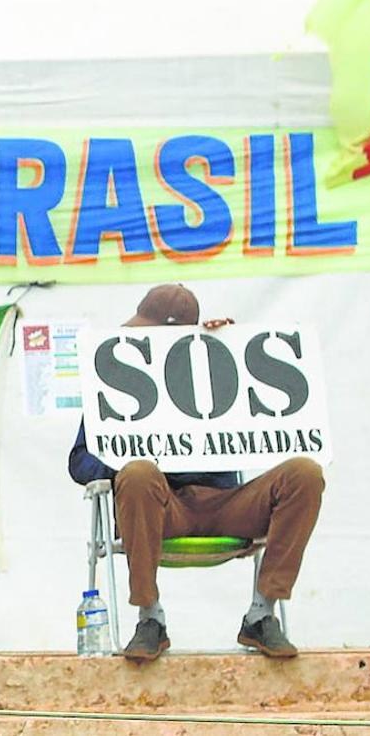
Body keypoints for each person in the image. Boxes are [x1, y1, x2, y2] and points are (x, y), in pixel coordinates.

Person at [68, 283, 325, 662]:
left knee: (305, 472)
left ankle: (261, 612)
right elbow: (79, 461)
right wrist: (124, 456)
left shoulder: (216, 366)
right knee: (138, 473)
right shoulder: (118, 386)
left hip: (226, 506)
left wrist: (232, 353)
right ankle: (150, 617)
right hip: (161, 507)